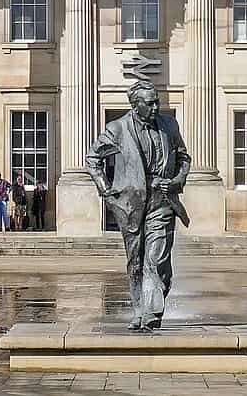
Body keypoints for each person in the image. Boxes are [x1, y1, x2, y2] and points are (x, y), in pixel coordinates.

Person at [86, 79, 191, 331]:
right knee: (135, 262)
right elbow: (93, 158)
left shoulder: (169, 125)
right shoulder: (118, 128)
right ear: (136, 104)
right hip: (130, 205)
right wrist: (107, 191)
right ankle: (139, 311)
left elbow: (183, 157)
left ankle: (151, 312)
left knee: (155, 259)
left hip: (162, 201)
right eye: (150, 103)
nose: (156, 107)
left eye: (158, 101)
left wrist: (176, 180)